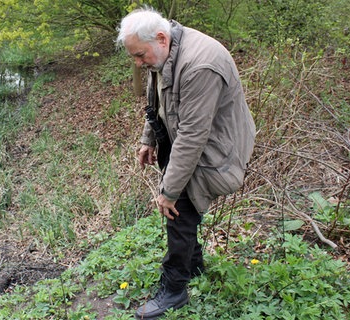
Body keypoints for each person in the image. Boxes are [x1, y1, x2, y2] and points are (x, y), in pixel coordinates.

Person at [116, 7, 256, 319]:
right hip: (192, 141)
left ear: (161, 38)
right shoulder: (165, 51)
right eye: (134, 57)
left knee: (177, 208)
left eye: (139, 55)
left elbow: (193, 136)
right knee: (180, 204)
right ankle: (194, 267)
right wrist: (148, 139)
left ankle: (174, 289)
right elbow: (159, 97)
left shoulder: (199, 65)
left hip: (218, 151)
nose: (138, 64)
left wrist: (168, 190)